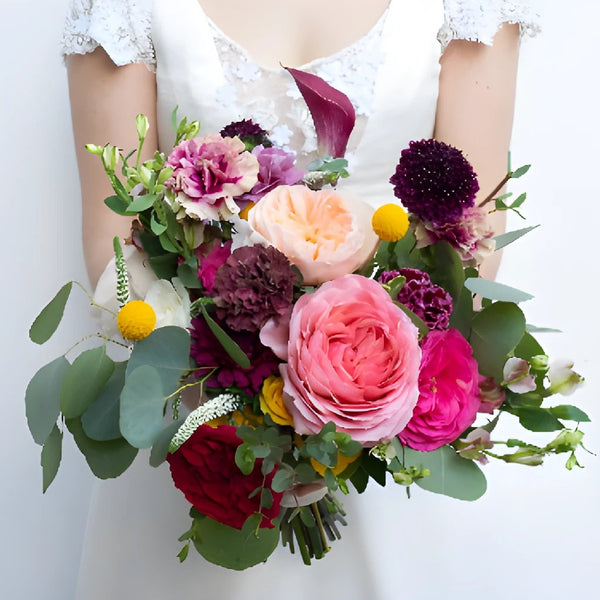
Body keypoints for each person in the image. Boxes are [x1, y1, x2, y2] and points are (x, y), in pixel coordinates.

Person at [62, 1, 538, 598]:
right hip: (206, 434)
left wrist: (348, 395)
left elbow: (471, 234)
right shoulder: (121, 10)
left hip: (380, 437)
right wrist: (245, 406)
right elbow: (116, 247)